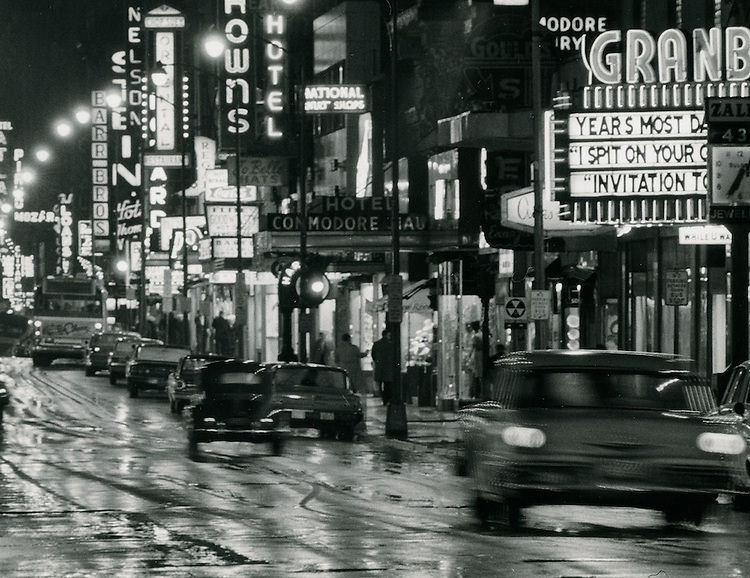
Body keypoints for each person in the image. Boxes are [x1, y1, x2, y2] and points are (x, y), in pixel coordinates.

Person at [371, 328, 394, 405]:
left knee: (380, 383)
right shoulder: (390, 344)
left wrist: (377, 361)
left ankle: (384, 398)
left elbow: (373, 355)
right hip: (388, 366)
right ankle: (387, 398)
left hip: (380, 366)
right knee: (388, 384)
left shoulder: (377, 344)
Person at [463, 321, 483, 399]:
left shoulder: (476, 336)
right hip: (478, 357)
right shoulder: (478, 335)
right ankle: (475, 393)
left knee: (476, 376)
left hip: (477, 357)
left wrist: (469, 356)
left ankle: (475, 393)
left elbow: (473, 348)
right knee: (476, 376)